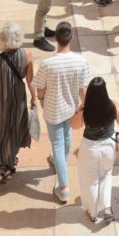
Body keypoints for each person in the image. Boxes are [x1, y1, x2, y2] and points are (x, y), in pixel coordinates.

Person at [32, 21, 90, 203]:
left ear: (56, 39)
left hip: (52, 109)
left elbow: (39, 88)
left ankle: (63, 186)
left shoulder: (47, 64)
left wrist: (40, 101)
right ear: (71, 38)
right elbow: (83, 90)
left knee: (57, 143)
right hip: (71, 108)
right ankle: (59, 162)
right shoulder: (81, 61)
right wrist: (83, 107)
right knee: (66, 136)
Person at [0, 22, 37, 185]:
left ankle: (4, 165)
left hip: (0, 101)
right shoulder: (27, 55)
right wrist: (34, 98)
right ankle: (10, 159)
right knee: (15, 126)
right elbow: (31, 81)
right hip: (18, 98)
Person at [71, 76, 119, 223]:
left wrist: (79, 109)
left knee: (89, 180)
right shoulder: (113, 105)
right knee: (106, 175)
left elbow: (74, 125)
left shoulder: (86, 110)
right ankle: (106, 209)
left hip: (90, 147)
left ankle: (93, 212)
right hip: (108, 146)